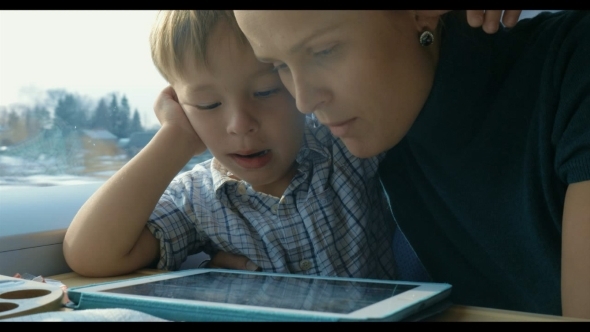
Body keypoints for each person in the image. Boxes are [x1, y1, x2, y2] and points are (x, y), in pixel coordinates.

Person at [232, 10, 590, 318]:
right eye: (278, 66)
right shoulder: (363, 132)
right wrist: (175, 130)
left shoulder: (572, 61)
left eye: (324, 51)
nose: (304, 101)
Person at [62, 10, 396, 282]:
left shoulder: (347, 149)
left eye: (265, 91)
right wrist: (175, 138)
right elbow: (90, 255)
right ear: (180, 104)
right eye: (207, 104)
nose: (239, 124)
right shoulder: (197, 200)